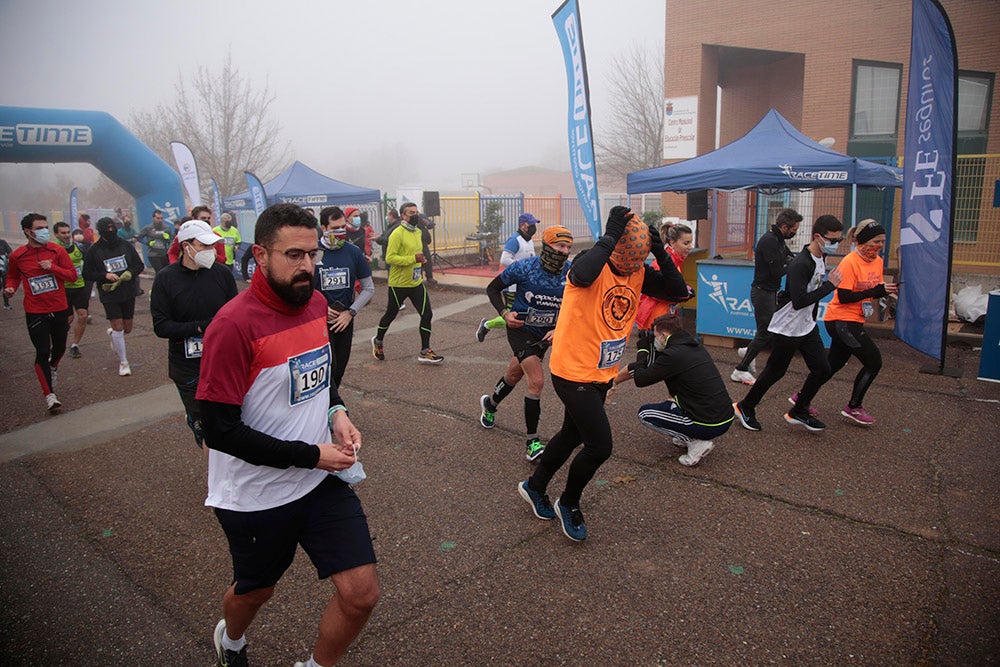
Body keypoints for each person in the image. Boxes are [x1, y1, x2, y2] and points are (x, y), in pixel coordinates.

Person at [196, 203, 379, 667]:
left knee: (361, 595)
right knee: (256, 591)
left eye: (312, 255)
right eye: (294, 255)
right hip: (256, 495)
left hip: (318, 481)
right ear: (260, 255)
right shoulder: (232, 326)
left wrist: (337, 411)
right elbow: (219, 431)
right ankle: (231, 639)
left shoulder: (315, 304)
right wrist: (312, 455)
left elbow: (321, 376)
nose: (307, 266)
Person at [516, 206, 689, 542]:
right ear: (617, 247)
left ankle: (535, 486)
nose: (633, 263)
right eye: (631, 254)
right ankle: (569, 502)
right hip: (571, 370)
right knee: (600, 445)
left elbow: (678, 291)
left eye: (640, 256)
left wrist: (658, 251)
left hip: (601, 371)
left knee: (572, 434)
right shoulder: (590, 263)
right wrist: (609, 236)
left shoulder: (638, 272)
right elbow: (580, 276)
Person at [733, 215, 844, 433]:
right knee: (775, 372)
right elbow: (799, 300)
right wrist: (830, 287)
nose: (836, 244)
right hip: (787, 328)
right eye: (833, 240)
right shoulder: (800, 264)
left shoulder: (820, 258)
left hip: (806, 326)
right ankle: (745, 406)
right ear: (818, 237)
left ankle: (799, 410)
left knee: (822, 369)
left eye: (839, 240)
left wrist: (812, 317)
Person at [478, 225, 574, 461]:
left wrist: (558, 328)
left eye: (568, 247)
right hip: (520, 330)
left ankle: (490, 405)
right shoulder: (525, 267)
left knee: (513, 375)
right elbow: (493, 288)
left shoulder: (571, 273)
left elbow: (575, 307)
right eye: (560, 245)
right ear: (547, 245)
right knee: (537, 380)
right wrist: (504, 313)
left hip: (545, 335)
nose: (564, 251)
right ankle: (532, 442)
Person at [150, 220, 238, 448]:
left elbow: (237, 313)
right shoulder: (165, 279)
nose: (211, 251)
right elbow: (161, 326)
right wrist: (199, 327)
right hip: (187, 365)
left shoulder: (222, 274)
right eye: (204, 246)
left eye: (212, 246)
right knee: (207, 427)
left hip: (223, 359)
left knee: (231, 418)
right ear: (186, 246)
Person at [612, 313, 733, 467]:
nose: (655, 339)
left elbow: (641, 379)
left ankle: (695, 442)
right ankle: (690, 434)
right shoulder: (692, 347)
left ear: (663, 335)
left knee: (645, 414)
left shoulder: (673, 355)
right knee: (670, 403)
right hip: (724, 417)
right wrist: (614, 381)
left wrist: (642, 350)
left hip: (709, 424)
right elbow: (647, 368)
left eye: (655, 336)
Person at [821, 219, 898, 425]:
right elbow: (844, 296)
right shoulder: (849, 262)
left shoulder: (877, 261)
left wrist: (887, 290)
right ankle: (854, 407)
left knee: (833, 364)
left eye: (882, 241)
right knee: (874, 362)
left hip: (855, 320)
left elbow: (874, 289)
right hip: (841, 320)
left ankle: (801, 398)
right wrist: (877, 290)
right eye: (876, 241)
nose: (880, 245)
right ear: (863, 241)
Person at [4, 213, 76, 411]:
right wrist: (10, 288)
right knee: (43, 351)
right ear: (28, 232)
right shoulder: (17, 256)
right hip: (35, 310)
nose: (45, 231)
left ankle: (53, 367)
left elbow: (72, 276)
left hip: (59, 307)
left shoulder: (57, 250)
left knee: (59, 348)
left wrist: (52, 267)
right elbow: (13, 277)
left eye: (46, 227)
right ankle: (50, 396)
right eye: (40, 228)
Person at [731, 208, 803, 385]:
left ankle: (747, 352)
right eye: (794, 229)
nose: (795, 232)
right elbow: (777, 271)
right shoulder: (770, 241)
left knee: (765, 331)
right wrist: (792, 266)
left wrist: (795, 261)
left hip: (769, 292)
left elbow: (789, 257)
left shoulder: (779, 240)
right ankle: (740, 370)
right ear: (784, 227)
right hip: (762, 292)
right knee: (765, 332)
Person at [371, 202, 444, 364]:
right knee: (390, 314)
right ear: (403, 216)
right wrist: (413, 259)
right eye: (411, 213)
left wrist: (422, 261)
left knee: (427, 314)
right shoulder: (397, 233)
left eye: (416, 212)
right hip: (399, 284)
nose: (415, 215)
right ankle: (378, 340)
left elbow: (418, 252)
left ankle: (425, 351)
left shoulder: (418, 231)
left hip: (416, 282)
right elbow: (390, 258)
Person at [316, 206, 375, 387]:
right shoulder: (312, 252)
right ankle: (329, 403)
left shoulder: (353, 252)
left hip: (345, 321)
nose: (340, 232)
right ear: (324, 228)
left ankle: (332, 401)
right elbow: (300, 290)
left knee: (340, 369)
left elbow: (368, 288)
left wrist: (351, 312)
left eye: (343, 227)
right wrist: (319, 309)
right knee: (328, 369)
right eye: (335, 228)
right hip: (318, 322)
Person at [83, 217, 145, 376]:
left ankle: (114, 335)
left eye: (113, 229)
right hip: (109, 293)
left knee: (127, 328)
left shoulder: (125, 245)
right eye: (107, 230)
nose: (110, 232)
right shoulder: (94, 250)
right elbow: (87, 273)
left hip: (128, 291)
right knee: (118, 325)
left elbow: (139, 265)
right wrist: (104, 275)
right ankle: (124, 362)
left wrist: (129, 273)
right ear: (100, 231)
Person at [475, 213, 539, 342]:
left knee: (524, 314)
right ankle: (487, 325)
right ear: (522, 225)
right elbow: (504, 260)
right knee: (512, 316)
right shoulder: (514, 240)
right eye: (531, 224)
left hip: (525, 285)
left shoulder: (529, 241)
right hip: (512, 287)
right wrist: (521, 269)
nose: (533, 227)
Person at [634, 222, 695, 329]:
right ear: (672, 242)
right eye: (686, 243)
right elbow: (657, 290)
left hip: (662, 313)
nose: (690, 247)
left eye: (691, 243)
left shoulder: (674, 260)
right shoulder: (664, 262)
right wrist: (682, 293)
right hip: (655, 315)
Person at [53, 222, 91, 359]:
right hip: (63, 289)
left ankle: (74, 345)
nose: (67, 235)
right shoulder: (53, 250)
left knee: (83, 316)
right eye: (63, 233)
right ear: (56, 234)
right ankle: (56, 344)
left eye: (68, 232)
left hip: (79, 287)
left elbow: (87, 264)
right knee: (68, 319)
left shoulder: (78, 248)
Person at [136, 209, 173, 273]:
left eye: (161, 218)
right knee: (160, 272)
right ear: (153, 218)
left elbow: (172, 241)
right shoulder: (148, 228)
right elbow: (139, 238)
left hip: (164, 254)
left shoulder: (167, 228)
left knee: (166, 272)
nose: (160, 220)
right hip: (153, 255)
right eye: (158, 218)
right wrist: (148, 243)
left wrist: (168, 239)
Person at [213, 211, 243, 277]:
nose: (229, 224)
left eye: (230, 222)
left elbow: (238, 241)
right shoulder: (215, 230)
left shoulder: (234, 230)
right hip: (218, 260)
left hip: (229, 260)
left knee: (227, 277)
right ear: (222, 222)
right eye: (227, 222)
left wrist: (237, 246)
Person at [0, 237, 13, 309]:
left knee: (6, 285)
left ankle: (6, 304)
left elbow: (10, 252)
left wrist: (7, 257)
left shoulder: (3, 242)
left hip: (4, 268)